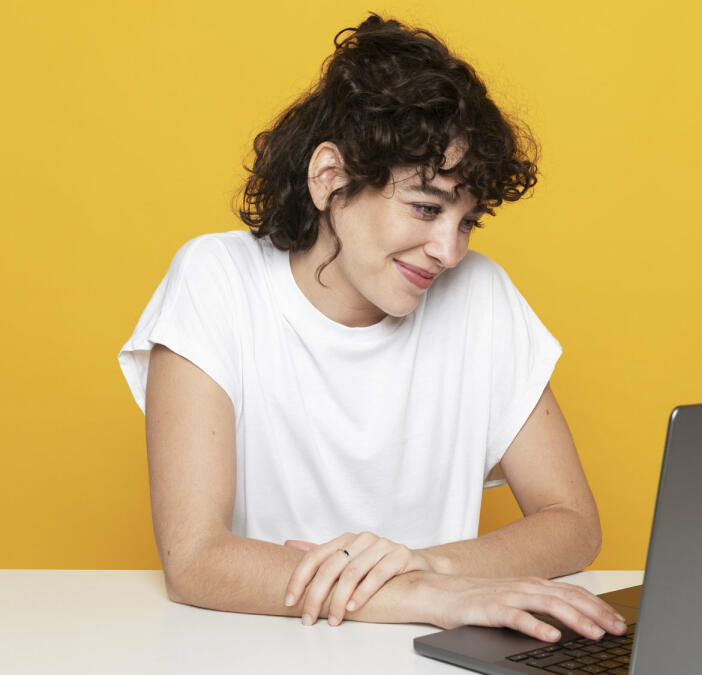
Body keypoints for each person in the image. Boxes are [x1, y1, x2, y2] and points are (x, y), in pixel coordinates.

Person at [117, 13, 626, 644]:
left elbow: (573, 522)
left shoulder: (481, 297)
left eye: (467, 220)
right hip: (259, 651)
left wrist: (429, 563)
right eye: (426, 207)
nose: (449, 250)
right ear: (331, 178)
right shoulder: (216, 281)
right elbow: (195, 561)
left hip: (435, 654)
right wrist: (419, 593)